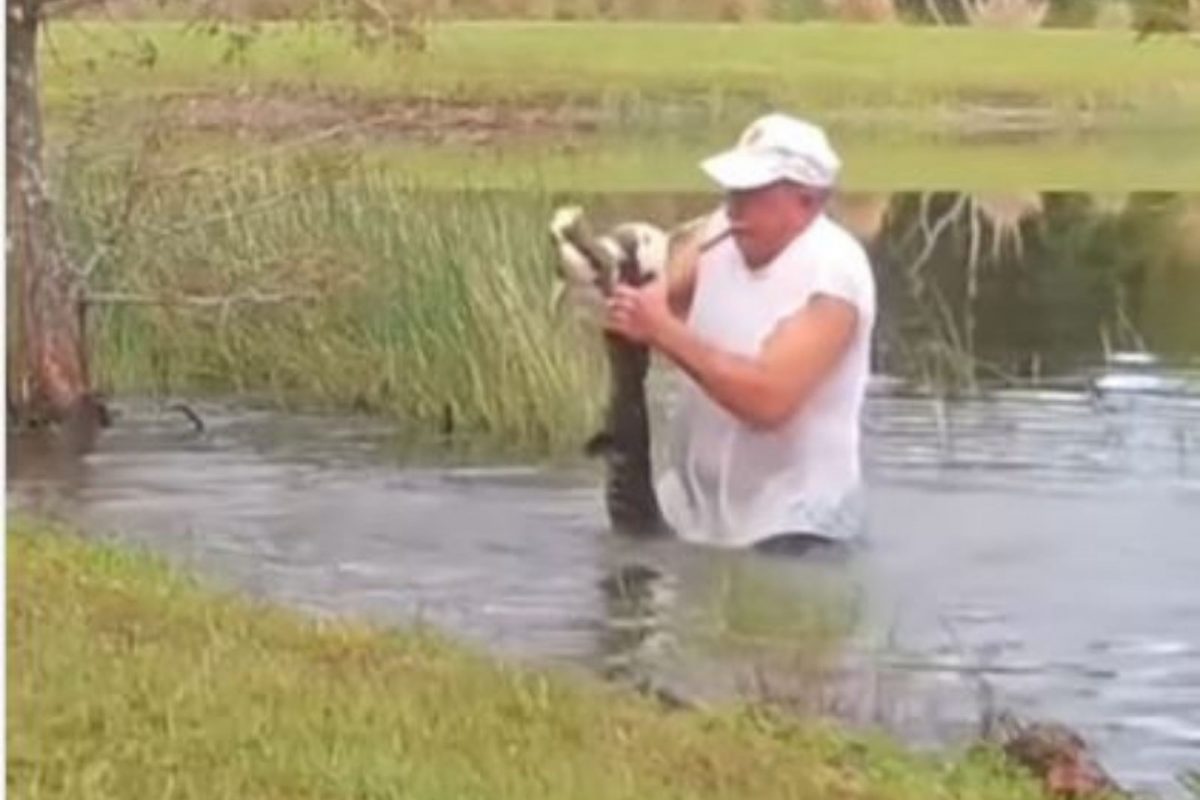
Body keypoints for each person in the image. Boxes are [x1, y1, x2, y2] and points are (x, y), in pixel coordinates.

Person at [603, 112, 876, 554]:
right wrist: (617, 287)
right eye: (733, 189)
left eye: (752, 193)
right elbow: (661, 299)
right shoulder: (721, 232)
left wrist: (661, 330)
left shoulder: (835, 277)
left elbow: (768, 400)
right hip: (695, 517)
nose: (733, 204)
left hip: (797, 531)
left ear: (806, 201)